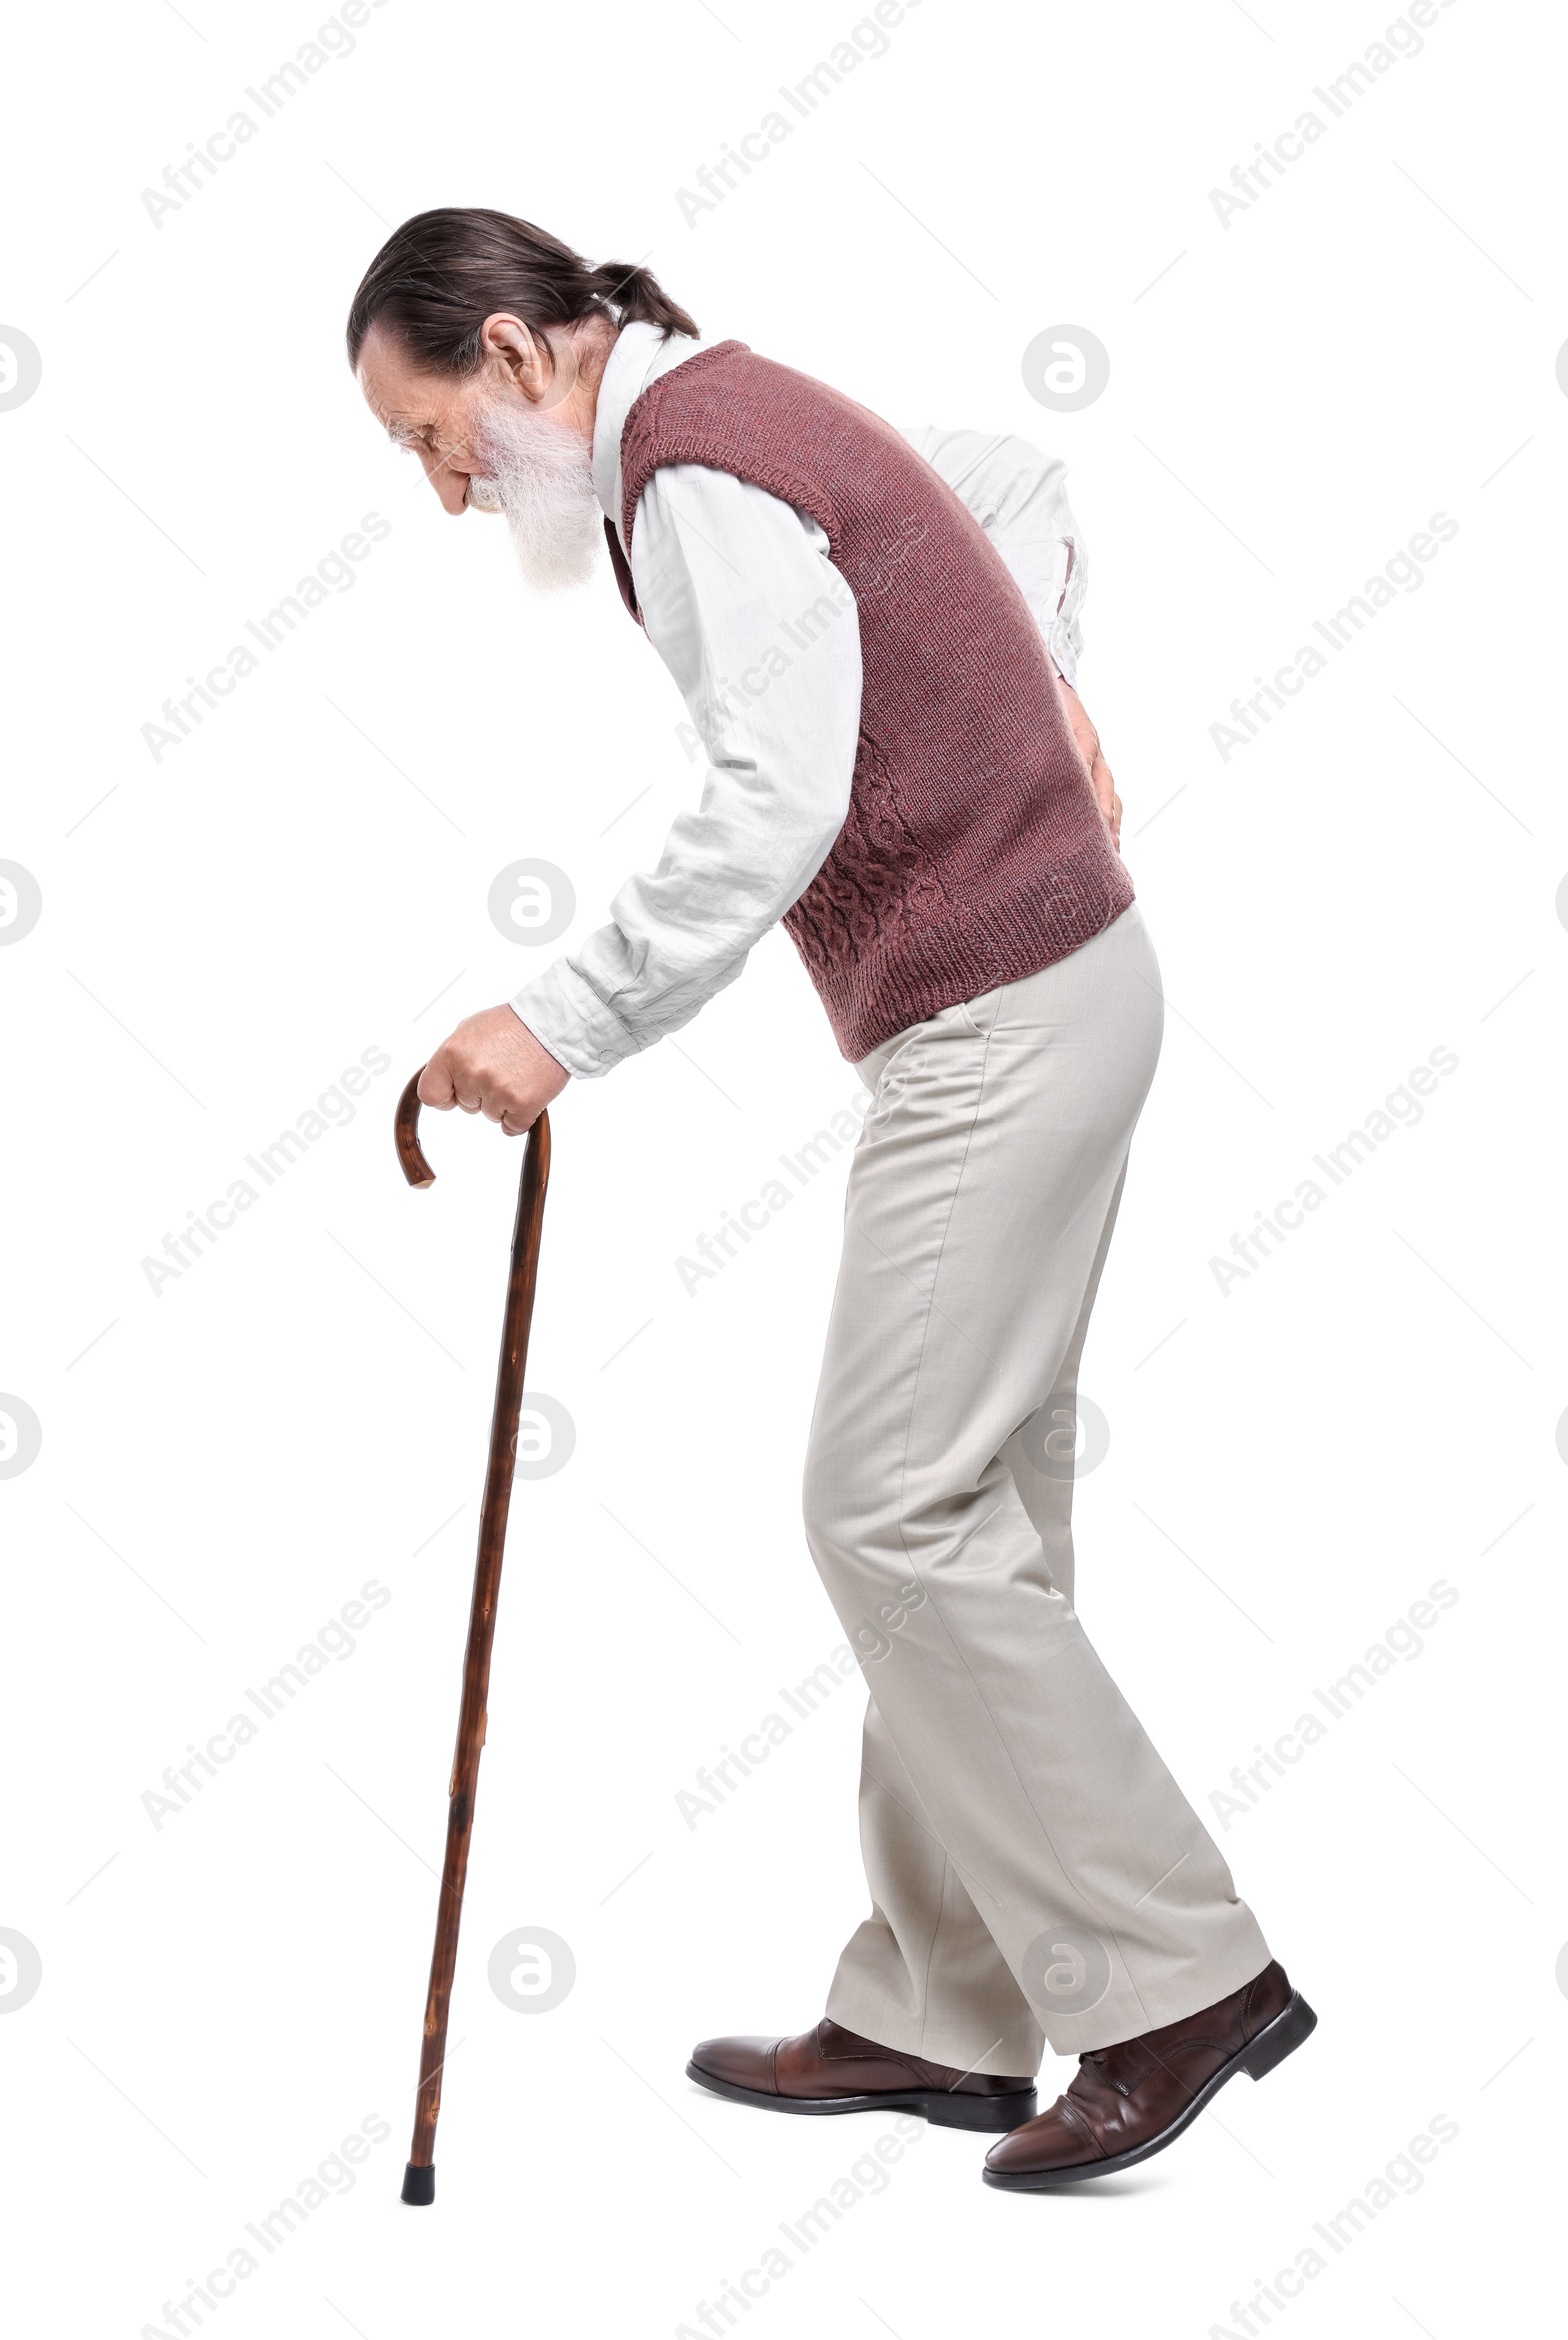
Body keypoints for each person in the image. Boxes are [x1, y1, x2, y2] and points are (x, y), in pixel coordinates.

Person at [346, 209, 1315, 2189]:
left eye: (430, 437)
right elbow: (1000, 484)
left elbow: (771, 798)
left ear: (523, 355)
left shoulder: (692, 464)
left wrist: (563, 1014)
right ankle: (938, 2012)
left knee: (881, 1507)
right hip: (1056, 988)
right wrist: (1042, 688)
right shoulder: (739, 417)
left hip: (1001, 1019)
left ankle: (1172, 1976)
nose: (445, 496)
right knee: (968, 1517)